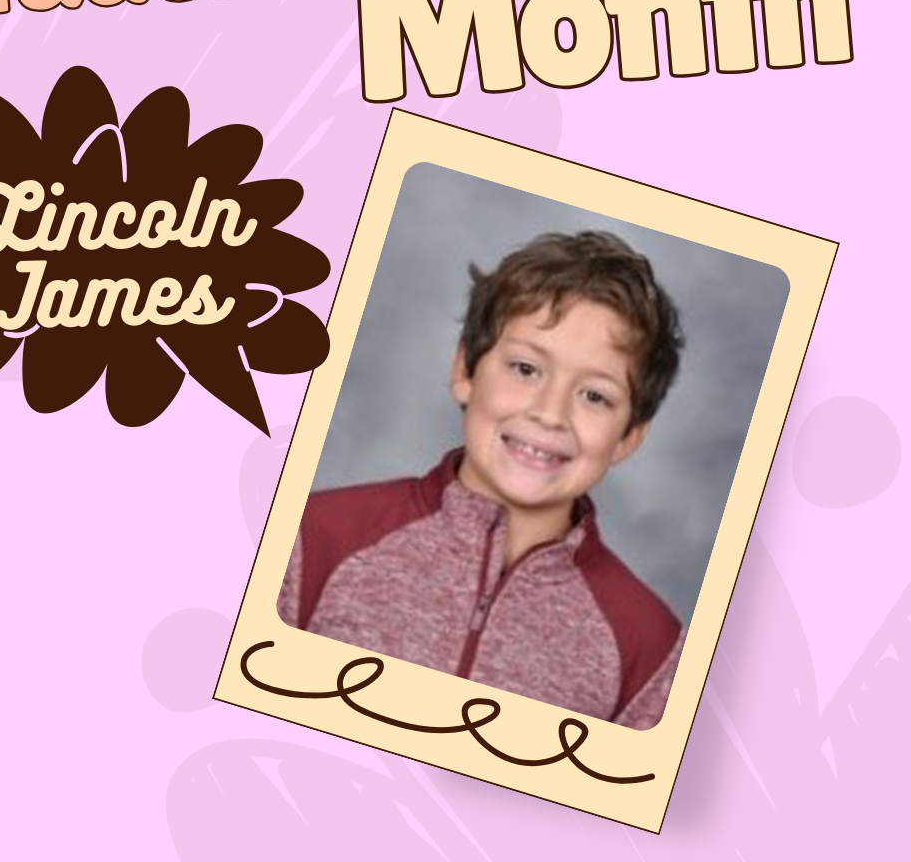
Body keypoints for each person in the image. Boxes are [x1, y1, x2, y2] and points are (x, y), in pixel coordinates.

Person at [277, 231, 686, 729]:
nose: (550, 413)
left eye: (595, 396)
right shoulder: (313, 536)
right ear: (465, 369)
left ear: (628, 438)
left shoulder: (649, 644)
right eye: (526, 368)